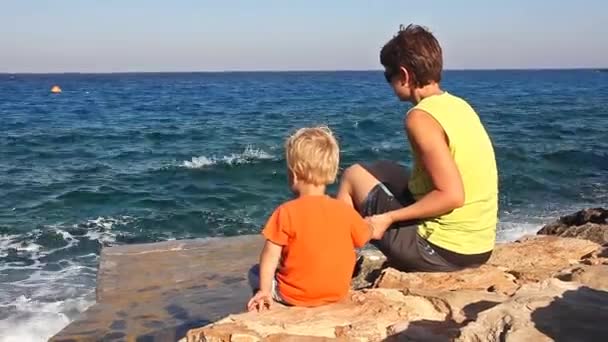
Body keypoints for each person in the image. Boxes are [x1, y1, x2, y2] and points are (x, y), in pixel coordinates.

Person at [337, 24, 498, 273]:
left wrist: (387, 218)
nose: (388, 83)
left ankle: (333, 265)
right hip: (479, 247)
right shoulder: (458, 105)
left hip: (444, 253)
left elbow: (452, 195)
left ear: (404, 74)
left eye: (387, 75)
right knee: (381, 169)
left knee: (351, 176)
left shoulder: (419, 118)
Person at [247, 126, 372, 311]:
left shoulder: (286, 212)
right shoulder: (344, 211)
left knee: (254, 272)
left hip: (293, 296)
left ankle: (264, 300)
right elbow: (364, 237)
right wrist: (369, 224)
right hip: (336, 293)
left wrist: (265, 289)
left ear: (294, 174)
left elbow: (270, 255)